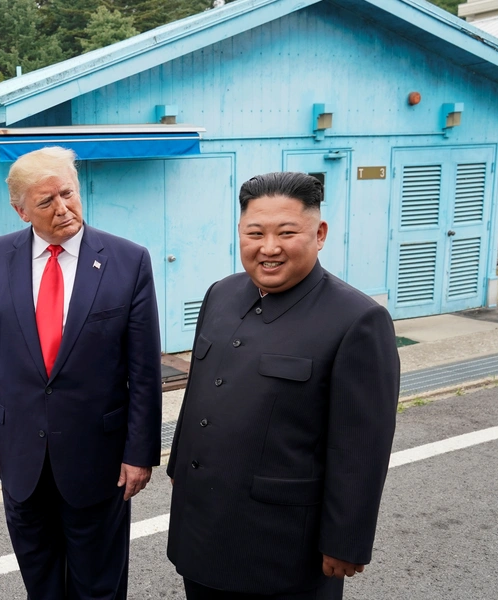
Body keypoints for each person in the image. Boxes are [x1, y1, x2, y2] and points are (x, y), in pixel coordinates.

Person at [167, 172, 399, 600]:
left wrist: (346, 540)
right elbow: (201, 388)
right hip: (201, 527)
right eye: (255, 233)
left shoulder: (356, 320)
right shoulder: (221, 293)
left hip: (282, 545)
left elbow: (361, 446)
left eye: (286, 233)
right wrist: (179, 466)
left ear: (320, 233)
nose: (268, 247)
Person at [0, 146, 162, 600]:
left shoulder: (127, 261)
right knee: (41, 581)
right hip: (19, 455)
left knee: (99, 585)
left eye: (68, 194)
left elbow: (145, 370)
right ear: (21, 210)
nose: (63, 209)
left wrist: (140, 452)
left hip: (100, 457)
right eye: (46, 202)